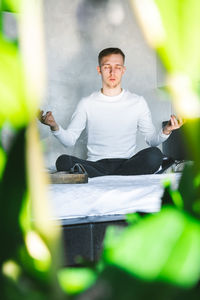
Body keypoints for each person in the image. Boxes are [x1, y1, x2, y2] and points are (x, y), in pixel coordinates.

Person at [39, 47, 183, 177]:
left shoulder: (137, 102)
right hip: (96, 165)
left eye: (117, 67)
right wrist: (54, 126)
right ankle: (115, 175)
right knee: (63, 161)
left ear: (123, 70)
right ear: (99, 70)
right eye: (107, 67)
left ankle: (109, 175)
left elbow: (152, 140)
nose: (112, 72)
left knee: (155, 155)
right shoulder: (87, 103)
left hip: (127, 163)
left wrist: (166, 130)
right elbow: (69, 140)